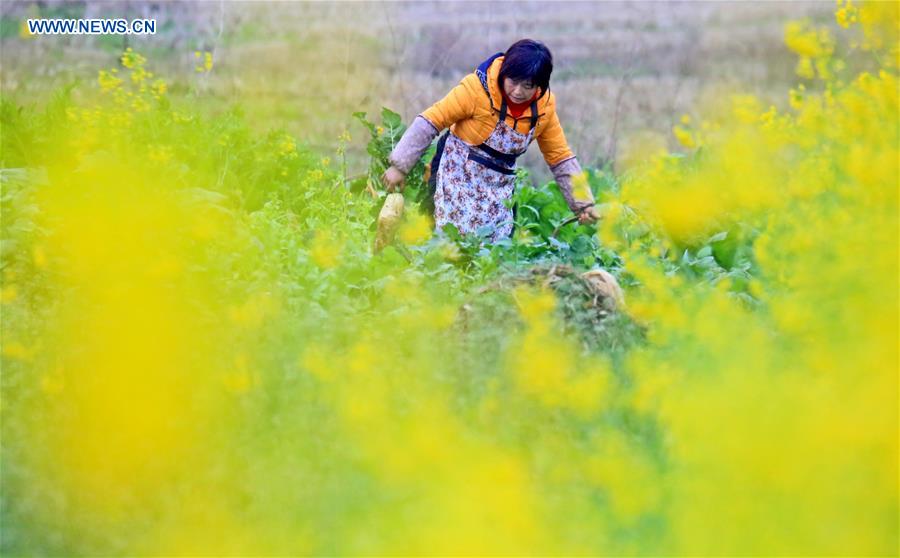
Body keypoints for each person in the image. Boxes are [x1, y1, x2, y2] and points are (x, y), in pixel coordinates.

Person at [381, 39, 599, 243]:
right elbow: (430, 121)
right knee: (448, 245)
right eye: (513, 81)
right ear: (504, 73)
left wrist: (583, 204)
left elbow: (560, 158)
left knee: (493, 251)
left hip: (498, 189)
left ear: (539, 86)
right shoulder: (476, 90)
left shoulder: (544, 109)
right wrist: (399, 166)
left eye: (528, 85)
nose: (518, 91)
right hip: (456, 175)